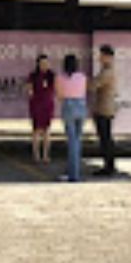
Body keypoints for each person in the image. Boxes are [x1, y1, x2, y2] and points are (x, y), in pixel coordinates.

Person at [55, 54, 88, 182]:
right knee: (77, 140)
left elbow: (59, 95)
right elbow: (84, 92)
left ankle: (73, 174)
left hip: (68, 105)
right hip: (81, 105)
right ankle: (75, 170)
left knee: (72, 141)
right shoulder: (82, 77)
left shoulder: (60, 77)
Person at [91, 44, 117, 176]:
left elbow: (94, 85)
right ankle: (109, 164)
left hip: (104, 108)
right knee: (106, 138)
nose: (99, 58)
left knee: (105, 138)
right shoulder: (106, 70)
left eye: (101, 55)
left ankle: (109, 166)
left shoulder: (107, 72)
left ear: (107, 56)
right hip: (104, 107)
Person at [25, 54, 55, 163]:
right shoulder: (33, 75)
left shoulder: (51, 75)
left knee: (47, 130)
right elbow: (29, 88)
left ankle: (46, 155)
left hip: (47, 104)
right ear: (38, 64)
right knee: (36, 130)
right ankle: (36, 155)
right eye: (42, 63)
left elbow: (56, 88)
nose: (44, 65)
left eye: (46, 63)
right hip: (36, 104)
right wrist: (31, 93)